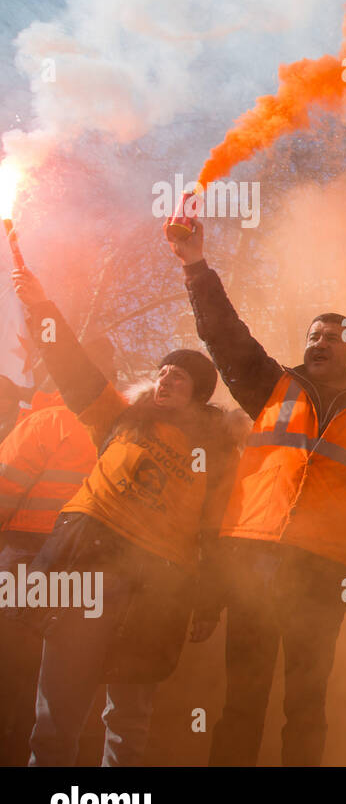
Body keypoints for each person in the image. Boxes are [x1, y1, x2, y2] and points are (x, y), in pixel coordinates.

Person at [169, 219, 346, 766]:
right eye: (313, 335)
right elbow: (224, 333)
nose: (319, 343)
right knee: (242, 701)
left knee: (306, 703)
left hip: (321, 574)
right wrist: (194, 265)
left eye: (332, 338)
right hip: (251, 561)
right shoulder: (269, 385)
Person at [9, 266, 236, 766]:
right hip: (88, 571)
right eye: (162, 371)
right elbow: (71, 365)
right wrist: (41, 304)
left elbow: (214, 532)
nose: (166, 378)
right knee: (57, 713)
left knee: (129, 719)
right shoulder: (118, 417)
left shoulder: (215, 455)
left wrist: (208, 603)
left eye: (179, 375)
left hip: (160, 588)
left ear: (199, 394)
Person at [0, 339, 113, 765]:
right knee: (50, 686)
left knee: (7, 673)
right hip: (86, 570)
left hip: (26, 560)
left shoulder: (46, 420)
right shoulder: (119, 428)